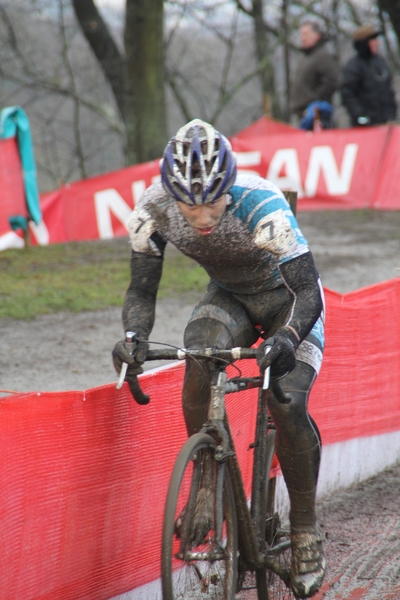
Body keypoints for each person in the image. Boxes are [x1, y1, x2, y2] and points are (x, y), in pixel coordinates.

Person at [112, 119, 326, 598]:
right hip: (229, 296)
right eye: (190, 203)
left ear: (228, 187)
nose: (203, 216)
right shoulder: (153, 207)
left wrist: (289, 337)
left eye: (212, 201)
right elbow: (140, 290)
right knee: (198, 351)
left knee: (286, 400)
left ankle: (306, 530)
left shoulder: (260, 203)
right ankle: (206, 481)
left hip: (286, 299)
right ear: (172, 194)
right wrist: (134, 337)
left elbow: (308, 291)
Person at [341, 25, 397, 127]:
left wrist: (392, 114)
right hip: (365, 127)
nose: (378, 43)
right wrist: (360, 116)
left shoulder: (381, 62)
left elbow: (389, 90)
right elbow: (348, 95)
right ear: (364, 44)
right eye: (373, 40)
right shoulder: (353, 66)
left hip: (386, 123)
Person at [289, 19, 339, 130]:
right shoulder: (307, 57)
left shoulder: (323, 56)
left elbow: (332, 81)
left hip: (316, 115)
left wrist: (315, 101)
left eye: (306, 34)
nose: (302, 38)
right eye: (301, 35)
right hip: (302, 114)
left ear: (317, 35)